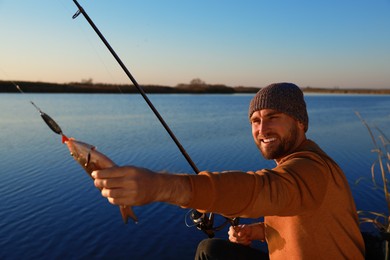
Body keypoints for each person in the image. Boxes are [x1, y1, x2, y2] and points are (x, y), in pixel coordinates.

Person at [91, 83, 365, 259]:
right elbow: (295, 210)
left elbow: (261, 189)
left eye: (273, 118)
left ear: (300, 123)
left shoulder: (312, 168)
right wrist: (259, 232)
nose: (262, 129)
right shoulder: (294, 166)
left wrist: (161, 186)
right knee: (211, 250)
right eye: (255, 121)